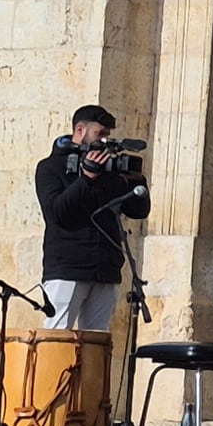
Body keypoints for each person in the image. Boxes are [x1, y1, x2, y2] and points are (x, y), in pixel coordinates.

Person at [32, 105, 143, 332]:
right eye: (99, 134)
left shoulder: (110, 171)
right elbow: (56, 213)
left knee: (97, 340)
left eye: (107, 135)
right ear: (80, 130)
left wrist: (136, 180)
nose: (103, 141)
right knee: (57, 337)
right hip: (67, 269)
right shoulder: (50, 167)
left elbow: (139, 210)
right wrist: (86, 178)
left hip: (105, 269)